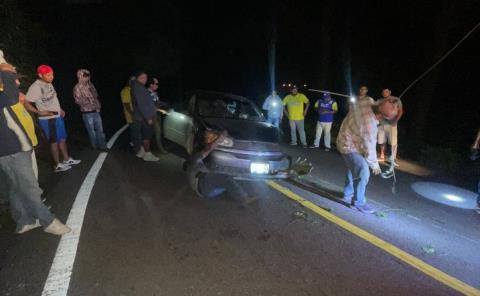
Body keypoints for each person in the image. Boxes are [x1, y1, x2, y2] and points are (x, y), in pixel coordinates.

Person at [0, 60, 70, 235]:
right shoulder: (4, 97)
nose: (17, 82)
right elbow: (9, 89)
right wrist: (3, 66)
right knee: (30, 186)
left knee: (17, 186)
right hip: (12, 149)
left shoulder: (8, 98)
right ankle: (48, 221)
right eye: (14, 79)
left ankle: (24, 221)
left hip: (18, 147)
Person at [24, 65, 81, 173]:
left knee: (62, 138)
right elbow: (26, 103)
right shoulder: (36, 87)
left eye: (52, 74)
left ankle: (66, 159)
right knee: (53, 142)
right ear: (40, 75)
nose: (52, 77)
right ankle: (57, 165)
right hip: (48, 119)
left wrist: (60, 109)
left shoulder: (48, 83)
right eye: (48, 75)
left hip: (57, 116)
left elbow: (53, 98)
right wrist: (39, 112)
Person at [336, 86, 382, 214]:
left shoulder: (368, 101)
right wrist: (374, 164)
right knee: (363, 169)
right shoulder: (369, 123)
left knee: (353, 166)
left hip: (351, 138)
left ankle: (348, 193)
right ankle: (358, 202)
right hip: (348, 143)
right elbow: (369, 146)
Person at [73, 69, 107, 150]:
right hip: (87, 113)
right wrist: (89, 101)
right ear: (80, 76)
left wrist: (98, 106)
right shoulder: (77, 87)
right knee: (92, 131)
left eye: (88, 76)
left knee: (100, 130)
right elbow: (77, 100)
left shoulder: (90, 85)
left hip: (96, 111)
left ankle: (103, 146)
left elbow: (96, 96)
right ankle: (95, 146)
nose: (87, 78)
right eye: (85, 76)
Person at [130, 71, 159, 162]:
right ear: (138, 77)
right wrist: (148, 118)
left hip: (140, 116)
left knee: (142, 134)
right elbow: (142, 104)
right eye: (143, 77)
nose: (145, 79)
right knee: (147, 136)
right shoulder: (139, 87)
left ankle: (141, 151)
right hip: (143, 117)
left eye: (146, 77)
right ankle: (147, 154)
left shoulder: (137, 86)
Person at [377, 88, 403, 166]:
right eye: (383, 92)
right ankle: (382, 155)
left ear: (390, 92)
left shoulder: (396, 99)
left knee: (393, 141)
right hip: (382, 123)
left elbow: (400, 111)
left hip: (392, 123)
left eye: (386, 91)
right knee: (381, 140)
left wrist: (396, 120)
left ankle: (393, 158)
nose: (385, 93)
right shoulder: (379, 100)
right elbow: (375, 111)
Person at [147, 77, 168, 154]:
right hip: (152, 115)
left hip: (157, 114)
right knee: (158, 131)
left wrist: (164, 103)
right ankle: (161, 149)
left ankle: (149, 145)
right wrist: (161, 109)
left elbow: (157, 102)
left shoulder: (155, 93)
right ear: (151, 85)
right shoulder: (147, 93)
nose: (158, 85)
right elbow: (150, 107)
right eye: (156, 84)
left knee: (154, 131)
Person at [120, 76, 137, 148]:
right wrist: (132, 114)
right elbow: (126, 104)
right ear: (129, 81)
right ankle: (133, 143)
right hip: (130, 114)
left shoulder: (133, 89)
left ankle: (136, 142)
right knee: (134, 129)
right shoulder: (125, 90)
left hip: (137, 114)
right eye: (132, 81)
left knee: (137, 129)